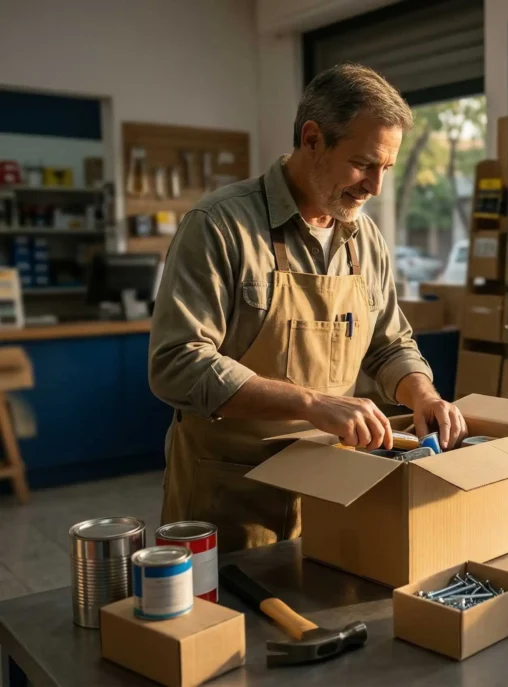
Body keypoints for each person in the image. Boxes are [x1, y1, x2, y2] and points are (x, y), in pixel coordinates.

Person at [149, 63, 468, 553]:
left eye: (387, 169)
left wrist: (420, 393)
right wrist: (312, 403)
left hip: (330, 494)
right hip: (230, 497)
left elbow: (389, 345)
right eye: (363, 164)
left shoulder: (365, 240)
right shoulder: (219, 225)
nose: (375, 187)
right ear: (313, 138)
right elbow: (176, 363)